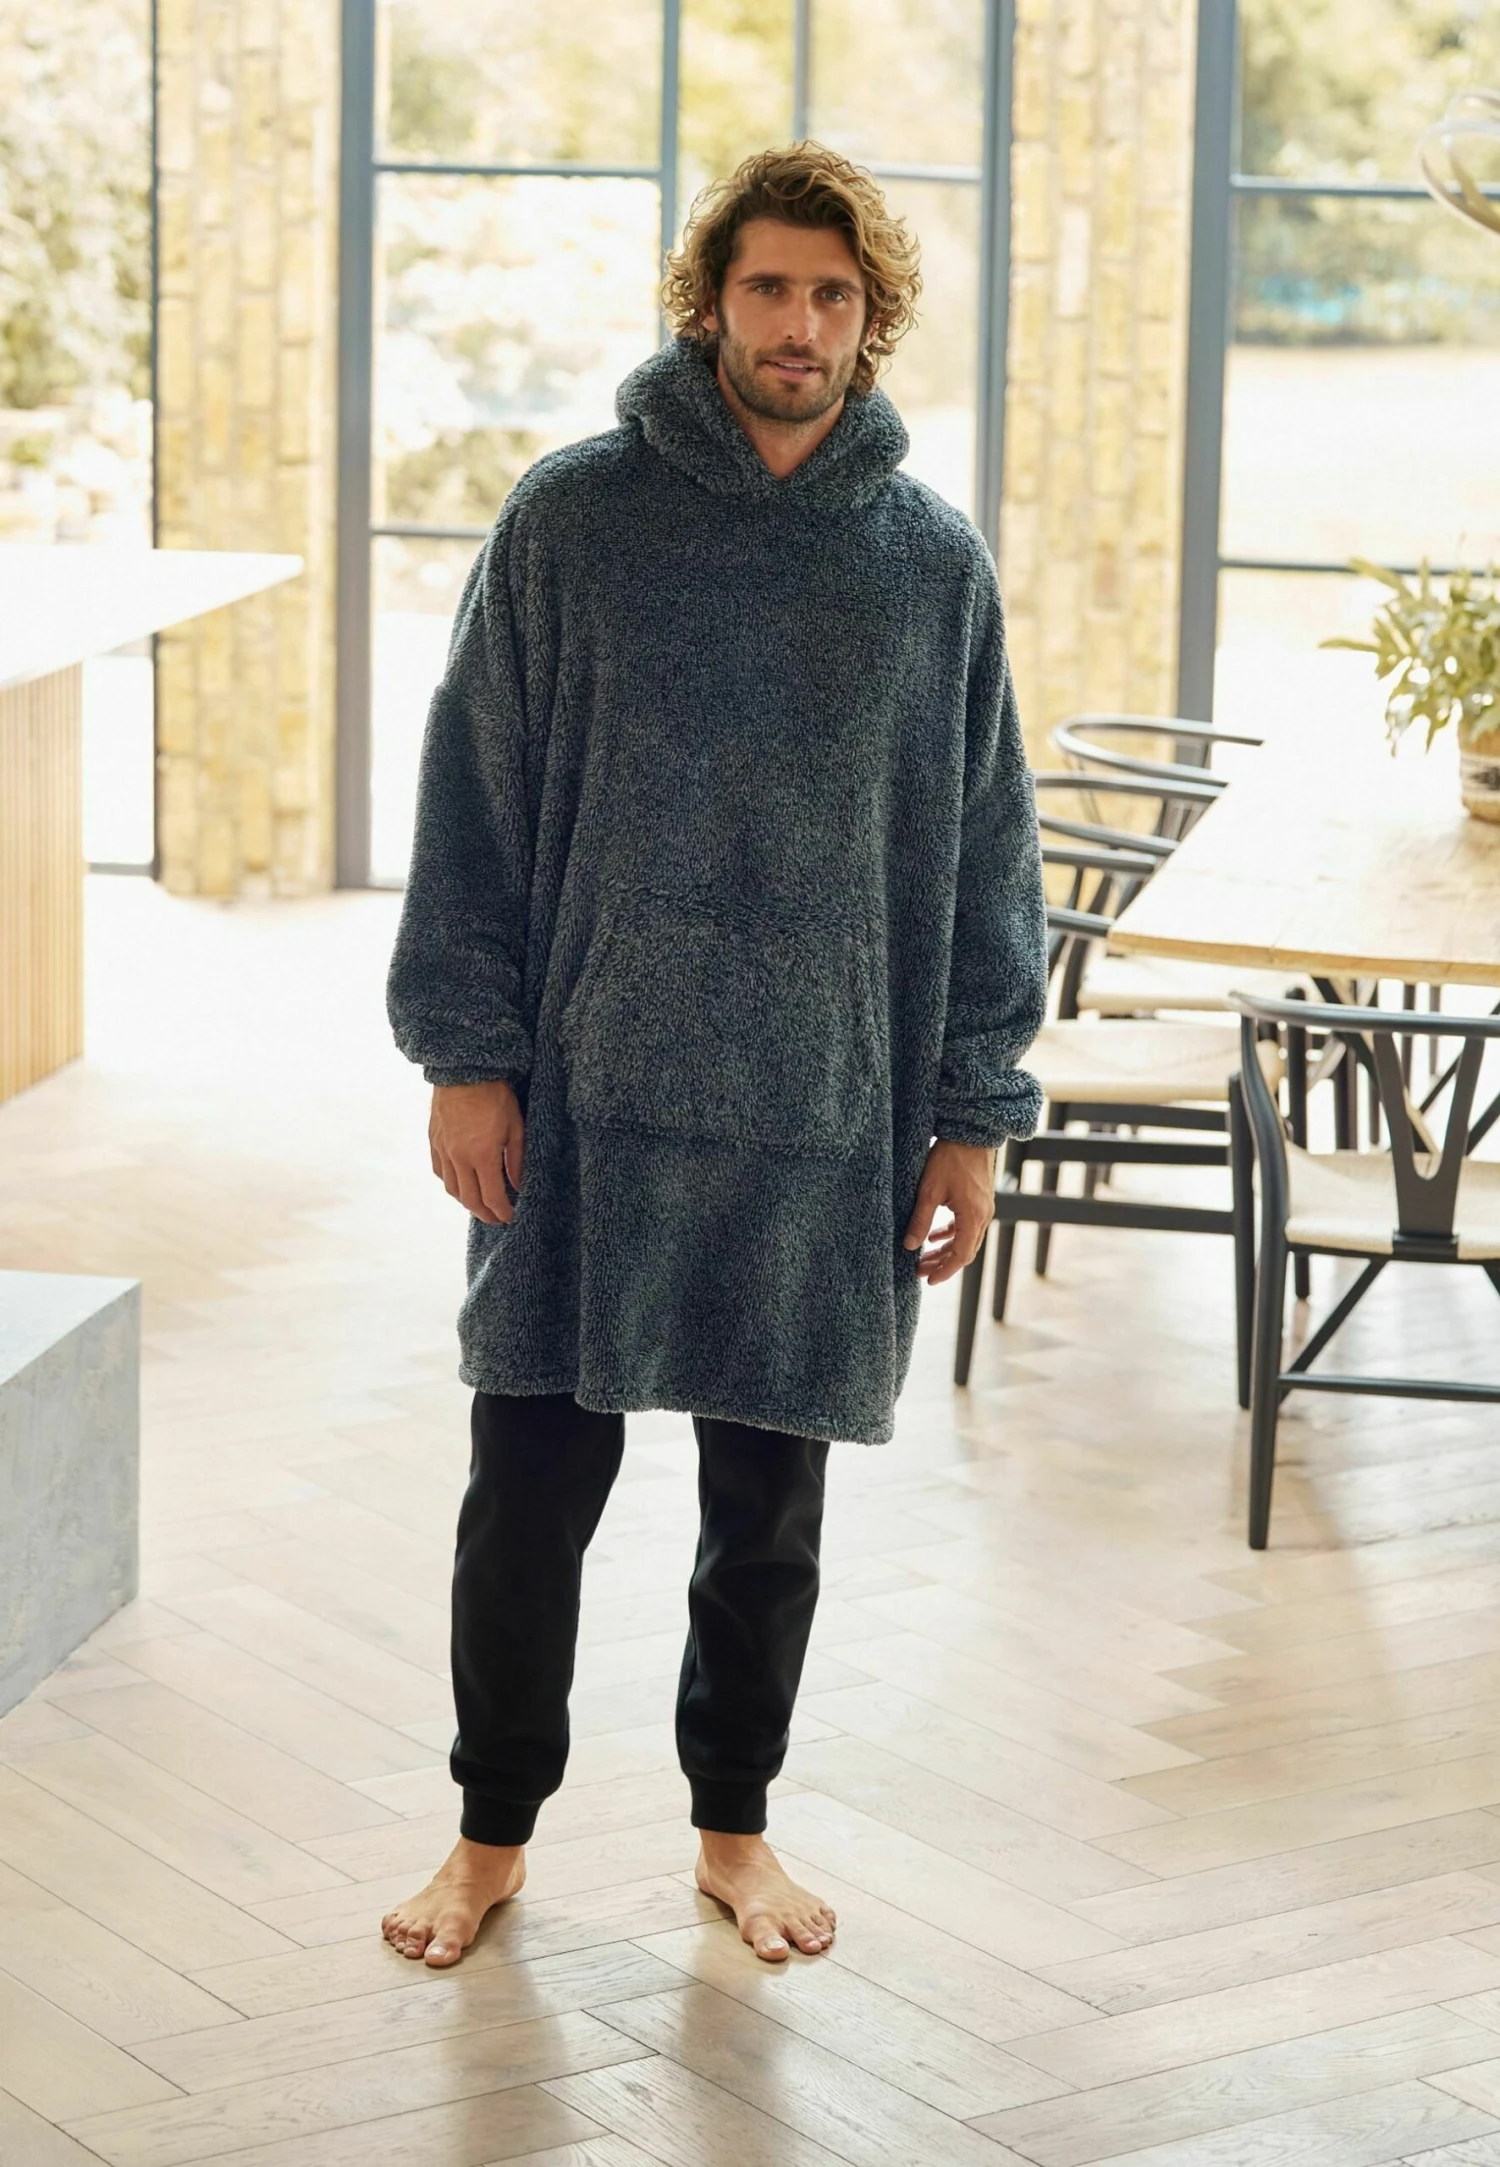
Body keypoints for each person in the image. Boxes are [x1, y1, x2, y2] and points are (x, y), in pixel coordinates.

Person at [381, 142, 1047, 1968]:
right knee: (526, 1500)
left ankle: (733, 1829)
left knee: (767, 1521)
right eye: (769, 286)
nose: (799, 324)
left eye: (834, 294)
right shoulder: (574, 520)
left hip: (824, 1116)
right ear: (709, 299)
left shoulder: (927, 564)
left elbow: (990, 851)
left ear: (872, 318)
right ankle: (489, 1834)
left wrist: (974, 1114)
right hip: (584, 1104)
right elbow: (471, 793)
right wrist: (464, 1052)